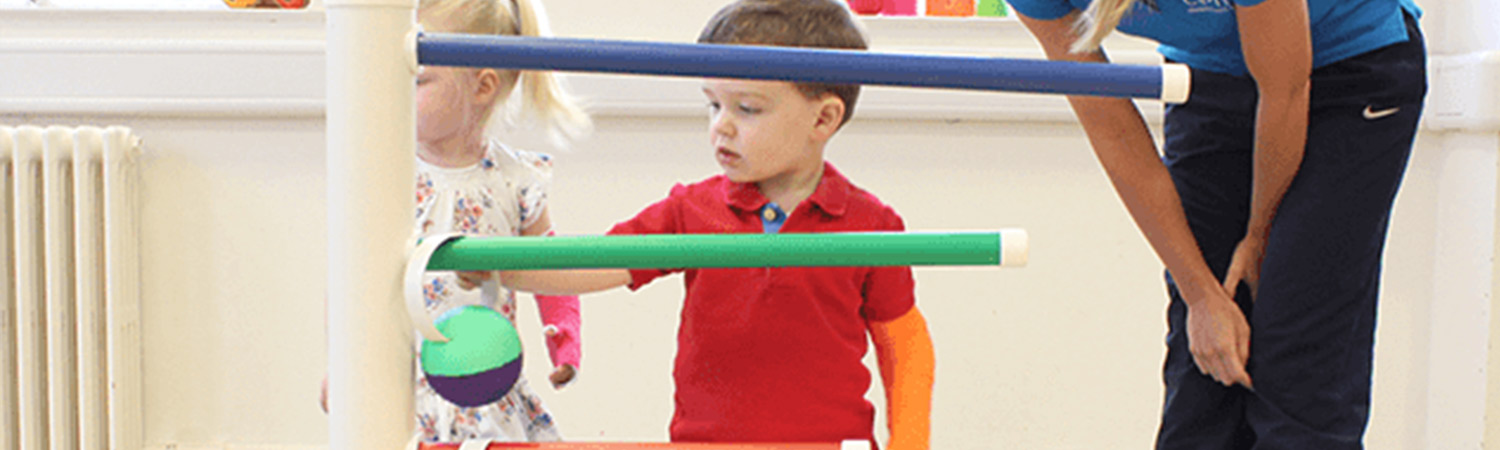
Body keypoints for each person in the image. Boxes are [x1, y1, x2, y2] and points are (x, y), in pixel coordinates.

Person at [496, 1, 934, 448]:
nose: (720, 126)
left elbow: (904, 342)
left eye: (746, 109)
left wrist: (911, 442)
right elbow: (595, 262)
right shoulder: (691, 211)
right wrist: (495, 266)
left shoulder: (871, 224)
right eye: (712, 105)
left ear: (823, 118)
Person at [1005, 0, 1426, 448]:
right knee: (1206, 362)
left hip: (1349, 63)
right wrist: (1199, 293)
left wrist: (1259, 236)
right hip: (1212, 78)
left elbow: (1284, 89)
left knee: (1298, 357)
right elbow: (1113, 130)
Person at [321, 0, 591, 445]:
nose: (396, 92)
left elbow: (552, 269)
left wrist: (565, 341)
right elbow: (347, 280)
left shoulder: (517, 181)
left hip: (484, 384)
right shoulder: (384, 177)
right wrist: (342, 365)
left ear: (482, 86)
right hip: (402, 389)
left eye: (418, 81)